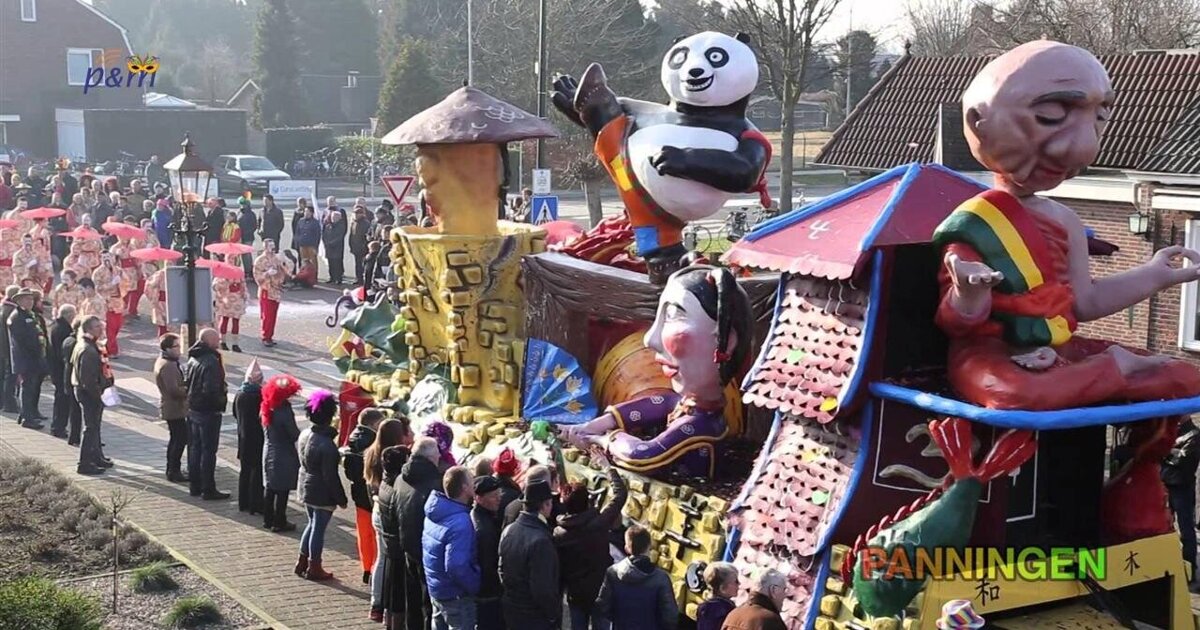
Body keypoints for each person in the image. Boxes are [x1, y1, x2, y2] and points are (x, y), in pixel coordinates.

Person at [554, 450, 629, 630]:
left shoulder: (558, 533)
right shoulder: (598, 523)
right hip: (601, 590)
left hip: (576, 594)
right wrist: (607, 467)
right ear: (587, 501)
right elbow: (620, 494)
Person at [363, 416, 416, 620]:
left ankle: (377, 603)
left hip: (378, 507)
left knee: (381, 559)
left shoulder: (372, 453)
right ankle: (379, 605)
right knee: (387, 561)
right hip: (387, 510)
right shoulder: (393, 458)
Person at [296, 389, 347, 581]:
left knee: (311, 524)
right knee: (318, 528)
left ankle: (303, 560)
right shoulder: (327, 445)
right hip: (320, 490)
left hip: (305, 483)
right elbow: (331, 476)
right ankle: (314, 565)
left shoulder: (305, 434)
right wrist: (341, 499)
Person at [424, 466, 481, 630]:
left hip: (437, 589)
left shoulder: (434, 512)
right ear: (464, 488)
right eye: (471, 481)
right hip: (455, 595)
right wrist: (475, 583)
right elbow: (457, 566)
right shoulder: (461, 522)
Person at [498, 479, 560, 630]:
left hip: (512, 610)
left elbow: (501, 569)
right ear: (545, 505)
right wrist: (553, 615)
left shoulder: (509, 530)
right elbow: (542, 589)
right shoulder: (541, 541)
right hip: (534, 617)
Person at [396, 437, 443, 630]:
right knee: (427, 604)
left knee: (412, 599)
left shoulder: (401, 477)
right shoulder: (434, 486)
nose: (440, 455)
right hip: (426, 551)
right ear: (431, 457)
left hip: (408, 545)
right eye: (438, 453)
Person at [594, 524, 678, 630]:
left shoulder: (612, 572)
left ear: (627, 548)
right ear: (649, 546)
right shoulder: (661, 578)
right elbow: (670, 616)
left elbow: (602, 606)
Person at [183, 328, 230, 500]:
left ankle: (195, 486)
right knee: (208, 451)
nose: (218, 342)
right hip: (208, 412)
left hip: (194, 409)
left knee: (195, 449)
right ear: (209, 341)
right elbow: (211, 389)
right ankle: (208, 488)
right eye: (216, 339)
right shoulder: (211, 361)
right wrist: (220, 400)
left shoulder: (194, 357)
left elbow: (188, 382)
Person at [344, 408, 385, 585]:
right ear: (375, 424)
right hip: (370, 493)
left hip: (357, 493)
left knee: (363, 533)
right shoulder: (373, 442)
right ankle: (375, 568)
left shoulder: (353, 438)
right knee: (375, 534)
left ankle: (366, 567)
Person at [377, 445, 413, 629]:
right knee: (398, 593)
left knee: (392, 592)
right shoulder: (395, 489)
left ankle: (391, 623)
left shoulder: (385, 483)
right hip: (398, 548)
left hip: (391, 545)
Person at [262, 372, 302, 533]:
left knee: (270, 487)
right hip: (283, 452)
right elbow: (293, 433)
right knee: (283, 489)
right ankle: (280, 520)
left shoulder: (267, 406)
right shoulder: (284, 410)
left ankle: (268, 518)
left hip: (269, 449)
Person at [1162, 417, 1200, 586]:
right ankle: (1166, 563)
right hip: (1165, 484)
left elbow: (1183, 460)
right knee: (1163, 526)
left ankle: (1189, 567)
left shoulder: (1194, 434)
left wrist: (1166, 453)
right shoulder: (1170, 431)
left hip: (1182, 487)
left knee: (1186, 529)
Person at [73, 315, 112, 475]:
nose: (101, 329)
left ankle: (96, 457)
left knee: (95, 426)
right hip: (89, 394)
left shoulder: (91, 344)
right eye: (97, 326)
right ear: (88, 329)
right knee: (90, 427)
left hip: (92, 392)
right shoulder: (88, 349)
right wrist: (98, 395)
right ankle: (85, 463)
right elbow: (87, 379)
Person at [8, 287, 48, 429]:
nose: (30, 301)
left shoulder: (29, 315)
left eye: (31, 299)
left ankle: (26, 414)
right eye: (26, 299)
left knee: (30, 387)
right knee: (27, 388)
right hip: (25, 359)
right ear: (19, 301)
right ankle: (27, 418)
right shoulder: (17, 317)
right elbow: (23, 340)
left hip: (33, 358)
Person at [153, 333, 190, 483]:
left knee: (177, 439)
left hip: (173, 407)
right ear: (167, 348)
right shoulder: (168, 365)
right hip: (174, 408)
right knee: (179, 440)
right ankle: (173, 471)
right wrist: (189, 389)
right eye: (176, 346)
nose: (179, 349)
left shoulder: (167, 361)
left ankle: (173, 469)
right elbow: (173, 390)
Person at [471, 475, 505, 630]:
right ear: (479, 498)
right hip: (488, 595)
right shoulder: (484, 530)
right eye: (493, 496)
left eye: (499, 494)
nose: (499, 499)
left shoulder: (483, 518)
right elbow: (488, 565)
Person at [234, 359, 265, 515]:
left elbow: (235, 413)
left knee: (244, 470)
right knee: (256, 471)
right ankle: (256, 504)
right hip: (256, 437)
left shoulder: (240, 393)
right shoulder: (259, 396)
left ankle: (243, 502)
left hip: (242, 437)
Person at [720, 569, 787, 630]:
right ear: (773, 590)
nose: (785, 595)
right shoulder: (770, 621)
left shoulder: (733, 615)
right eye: (784, 589)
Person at [252, 240, 290, 347]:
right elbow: (257, 276)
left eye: (274, 246)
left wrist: (284, 260)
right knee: (267, 315)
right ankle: (265, 337)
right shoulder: (260, 260)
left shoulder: (276, 258)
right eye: (270, 246)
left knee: (273, 315)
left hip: (276, 291)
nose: (273, 248)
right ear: (265, 247)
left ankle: (270, 336)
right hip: (266, 290)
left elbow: (288, 272)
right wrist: (266, 274)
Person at [48, 304, 76, 439]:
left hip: (56, 368)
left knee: (61, 399)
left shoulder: (56, 326)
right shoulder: (63, 329)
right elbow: (62, 353)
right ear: (69, 315)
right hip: (60, 370)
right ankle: (58, 427)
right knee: (62, 400)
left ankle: (58, 426)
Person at [92, 252, 125, 357]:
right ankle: (111, 350)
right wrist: (111, 283)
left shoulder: (118, 270)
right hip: (106, 301)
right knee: (109, 327)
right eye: (104, 257)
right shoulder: (98, 272)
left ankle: (111, 347)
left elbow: (127, 282)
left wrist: (122, 282)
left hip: (117, 300)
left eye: (108, 257)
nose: (106, 259)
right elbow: (97, 288)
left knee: (117, 325)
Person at [213, 262, 248, 353]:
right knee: (225, 319)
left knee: (236, 321)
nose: (232, 260)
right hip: (227, 299)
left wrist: (244, 294)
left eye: (234, 258)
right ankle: (223, 342)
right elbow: (215, 286)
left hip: (237, 300)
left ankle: (235, 343)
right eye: (230, 257)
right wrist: (226, 282)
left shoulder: (239, 271)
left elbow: (243, 284)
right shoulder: (222, 271)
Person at [60, 318, 83, 446]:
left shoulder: (68, 340)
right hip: (73, 380)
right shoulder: (75, 343)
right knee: (76, 412)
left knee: (74, 410)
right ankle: (75, 437)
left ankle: (74, 437)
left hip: (68, 378)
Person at [696, 562, 740, 630]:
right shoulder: (726, 610)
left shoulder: (703, 607)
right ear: (722, 588)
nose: (739, 583)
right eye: (736, 581)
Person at [0, 286, 16, 413]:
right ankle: (9, 403)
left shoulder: (3, 308)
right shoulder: (10, 311)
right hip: (7, 348)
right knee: (10, 376)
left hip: (2, 348)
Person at [294, 207, 322, 275]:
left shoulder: (315, 222)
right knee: (304, 261)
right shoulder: (301, 221)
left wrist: (316, 246)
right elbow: (297, 232)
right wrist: (298, 242)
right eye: (305, 212)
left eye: (308, 212)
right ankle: (305, 274)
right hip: (302, 244)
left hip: (311, 245)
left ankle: (313, 275)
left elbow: (317, 235)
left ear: (312, 213)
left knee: (313, 261)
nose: (306, 213)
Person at [322, 209, 347, 284]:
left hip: (337, 248)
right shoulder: (328, 226)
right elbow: (324, 235)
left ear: (339, 218)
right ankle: (332, 277)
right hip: (329, 248)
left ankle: (338, 278)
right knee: (331, 263)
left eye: (335, 217)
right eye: (332, 217)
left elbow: (340, 237)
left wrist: (331, 243)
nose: (333, 219)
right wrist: (326, 243)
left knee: (337, 263)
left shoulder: (341, 226)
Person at [350, 204, 372, 285]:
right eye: (355, 213)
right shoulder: (354, 223)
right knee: (357, 264)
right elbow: (351, 235)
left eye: (358, 213)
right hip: (355, 247)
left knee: (363, 265)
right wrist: (351, 245)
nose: (356, 215)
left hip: (363, 249)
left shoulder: (366, 223)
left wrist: (364, 247)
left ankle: (363, 279)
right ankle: (358, 278)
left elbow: (366, 236)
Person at [237, 197, 257, 272]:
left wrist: (246, 232)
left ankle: (249, 271)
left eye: (243, 204)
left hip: (248, 237)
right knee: (242, 255)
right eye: (240, 204)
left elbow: (254, 226)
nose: (241, 206)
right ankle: (245, 270)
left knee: (247, 254)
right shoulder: (239, 212)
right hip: (239, 236)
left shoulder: (251, 214)